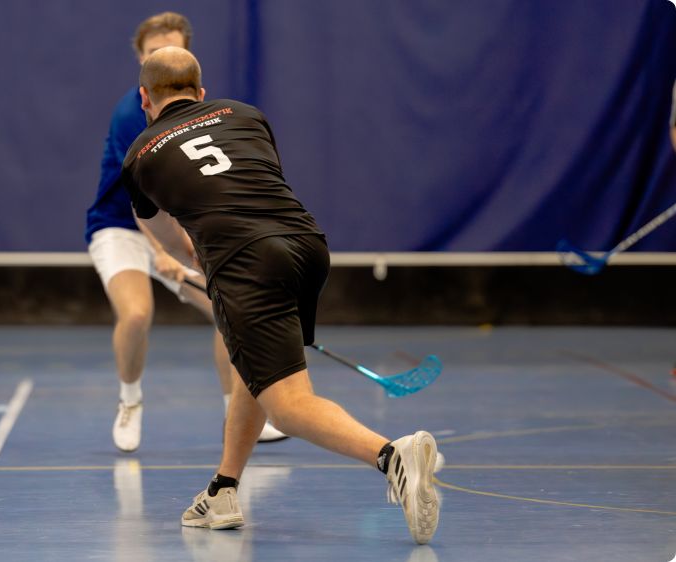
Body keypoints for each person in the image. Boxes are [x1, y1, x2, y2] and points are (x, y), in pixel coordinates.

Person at [121, 46, 441, 544]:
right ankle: (223, 490)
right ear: (201, 92)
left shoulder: (141, 154)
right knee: (259, 371)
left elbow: (166, 234)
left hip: (247, 264)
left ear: (145, 98)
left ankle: (392, 456)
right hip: (307, 246)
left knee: (288, 403)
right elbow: (251, 181)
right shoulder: (246, 115)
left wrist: (194, 258)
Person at [85, 12, 287, 452]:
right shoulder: (130, 116)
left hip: (179, 230)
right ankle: (130, 400)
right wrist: (162, 252)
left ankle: (239, 412)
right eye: (153, 54)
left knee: (227, 311)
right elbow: (142, 203)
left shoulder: (203, 116)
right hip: (121, 228)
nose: (164, 60)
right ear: (141, 62)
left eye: (172, 52)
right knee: (136, 314)